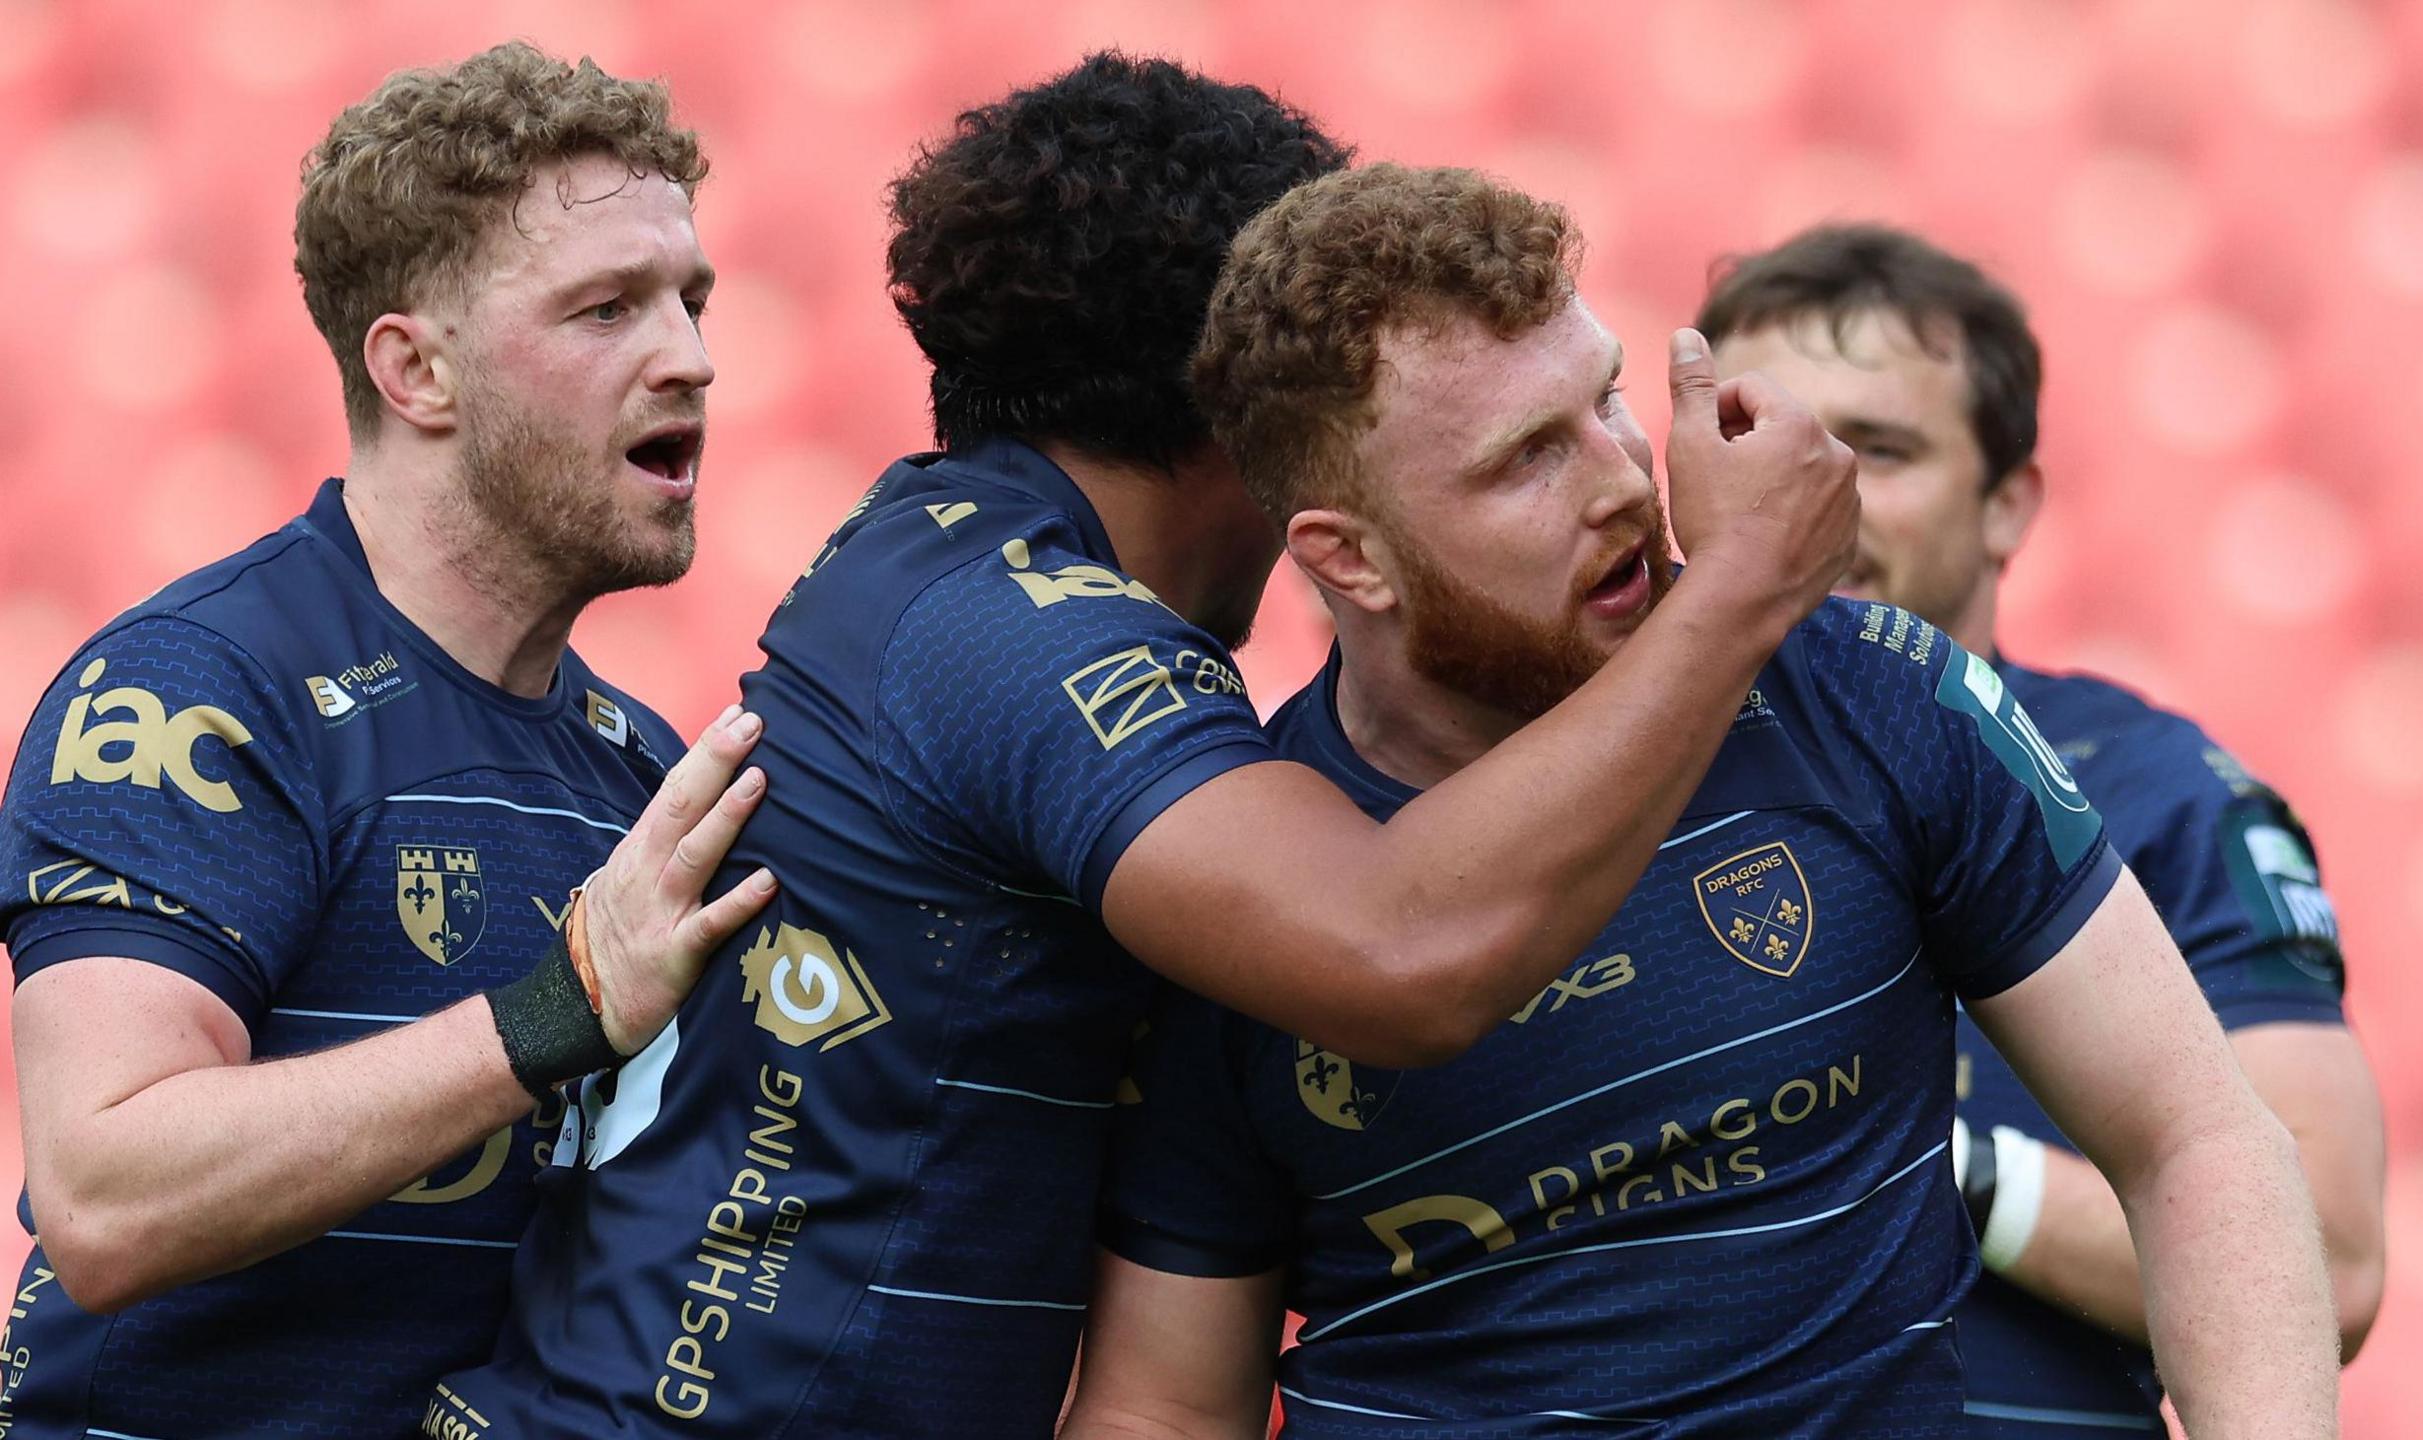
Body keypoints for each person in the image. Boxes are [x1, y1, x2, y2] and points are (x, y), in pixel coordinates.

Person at [429, 54, 1859, 1438]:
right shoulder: (1028, 632)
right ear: (1239, 400)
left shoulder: (935, 552)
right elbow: (1401, 956)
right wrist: (1734, 592)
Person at [1061, 165, 2339, 1439]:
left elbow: (2202, 1143)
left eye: (1606, 397)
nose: (1620, 479)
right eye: (1526, 459)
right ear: (1349, 558)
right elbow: (1164, 1404)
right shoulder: (1247, 874)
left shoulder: (1874, 694)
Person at [0, 42, 775, 1439]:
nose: (693, 358)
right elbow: (106, 1193)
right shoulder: (195, 691)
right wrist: (556, 1014)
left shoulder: (638, 771)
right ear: (418, 370)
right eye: (608, 309)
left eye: (692, 299)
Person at [1700, 224, 2386, 1437]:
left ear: (2008, 503)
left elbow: (2327, 1267)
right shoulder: (1572, 775)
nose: (1816, 486)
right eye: (1764, 436)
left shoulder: (2161, 793)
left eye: (1883, 448)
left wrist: (1943, 1167)